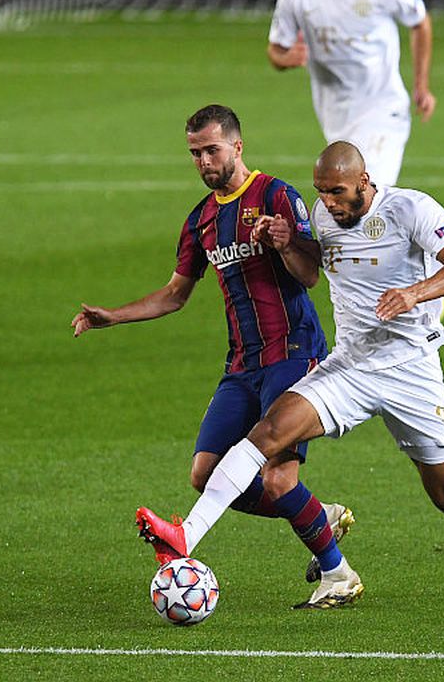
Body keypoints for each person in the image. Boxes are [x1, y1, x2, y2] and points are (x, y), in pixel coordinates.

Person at [137, 141, 444, 609]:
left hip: (411, 370)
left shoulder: (410, 208)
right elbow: (309, 270)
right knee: (269, 434)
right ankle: (186, 536)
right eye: (322, 193)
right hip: (350, 366)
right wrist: (285, 241)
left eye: (338, 192)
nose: (329, 203)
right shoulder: (322, 217)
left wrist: (414, 293)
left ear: (363, 181)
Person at [73, 104, 357, 590]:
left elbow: (309, 276)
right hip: (243, 363)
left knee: (278, 479)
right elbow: (175, 294)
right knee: (205, 474)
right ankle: (318, 516)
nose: (204, 161)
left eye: (212, 150)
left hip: (293, 353)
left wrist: (286, 242)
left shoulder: (277, 195)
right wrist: (112, 316)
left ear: (237, 147)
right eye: (195, 153)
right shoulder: (201, 220)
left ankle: (339, 574)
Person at [267, 0, 436, 188]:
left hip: (383, 108)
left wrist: (421, 84)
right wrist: (287, 58)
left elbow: (420, 21)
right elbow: (275, 50)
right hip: (336, 114)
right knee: (350, 201)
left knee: (367, 192)